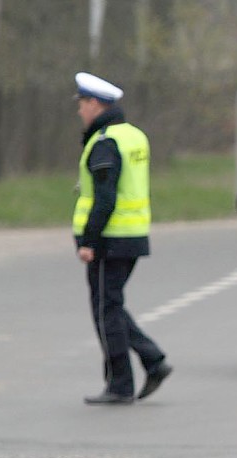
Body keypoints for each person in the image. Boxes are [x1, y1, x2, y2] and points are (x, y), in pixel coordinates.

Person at [72, 72, 172, 405]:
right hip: (131, 235)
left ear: (95, 104)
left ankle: (121, 383)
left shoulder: (105, 141)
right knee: (110, 306)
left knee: (105, 310)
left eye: (82, 104)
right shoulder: (133, 136)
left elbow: (105, 197)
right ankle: (151, 360)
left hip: (110, 240)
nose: (79, 111)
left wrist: (89, 240)